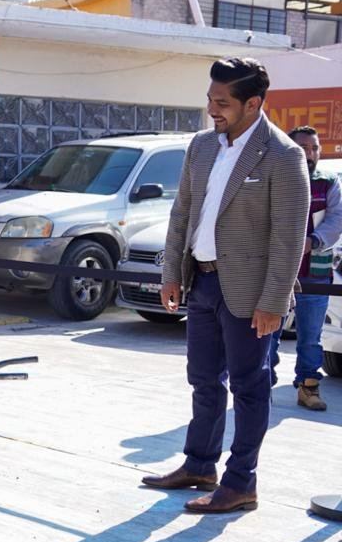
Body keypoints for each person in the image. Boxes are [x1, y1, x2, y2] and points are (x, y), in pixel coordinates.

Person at [143, 57, 310, 514]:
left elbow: (289, 234)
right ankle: (199, 464)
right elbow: (182, 213)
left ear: (253, 103)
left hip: (252, 293)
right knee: (202, 381)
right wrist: (172, 273)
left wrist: (274, 301)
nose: (212, 109)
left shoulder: (282, 155)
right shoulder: (200, 146)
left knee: (250, 387)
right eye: (209, 99)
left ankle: (241, 484)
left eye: (222, 102)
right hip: (203, 283)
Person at [268, 125, 342, 411]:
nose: (309, 154)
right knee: (268, 331)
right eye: (302, 148)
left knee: (311, 337)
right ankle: (262, 385)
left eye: (314, 148)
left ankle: (308, 387)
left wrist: (314, 241)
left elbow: (337, 219)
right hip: (276, 272)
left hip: (316, 272)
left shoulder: (328, 181)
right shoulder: (273, 178)